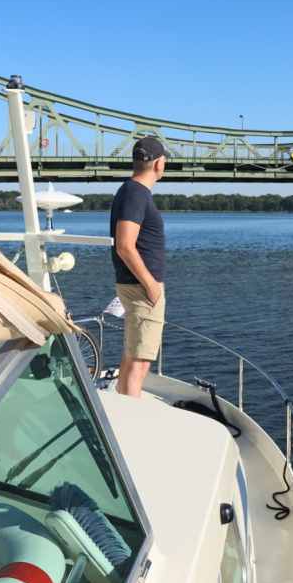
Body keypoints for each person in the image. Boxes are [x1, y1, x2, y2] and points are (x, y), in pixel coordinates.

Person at [111, 136, 170, 397]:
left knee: (132, 357)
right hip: (142, 289)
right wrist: (151, 286)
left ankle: (124, 411)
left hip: (136, 287)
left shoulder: (131, 191)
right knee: (140, 364)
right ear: (160, 164)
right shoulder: (135, 193)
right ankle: (131, 427)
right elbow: (124, 245)